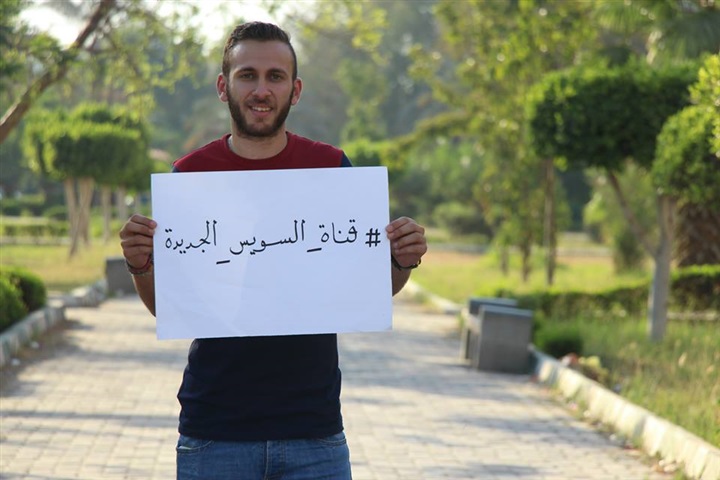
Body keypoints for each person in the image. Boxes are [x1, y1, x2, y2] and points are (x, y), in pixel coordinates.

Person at [119, 21, 427, 480]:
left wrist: (402, 258)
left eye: (275, 77)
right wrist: (140, 265)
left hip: (315, 434)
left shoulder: (331, 168)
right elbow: (169, 307)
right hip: (215, 433)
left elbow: (370, 291)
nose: (261, 90)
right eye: (247, 75)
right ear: (223, 86)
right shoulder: (190, 176)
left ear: (294, 90)